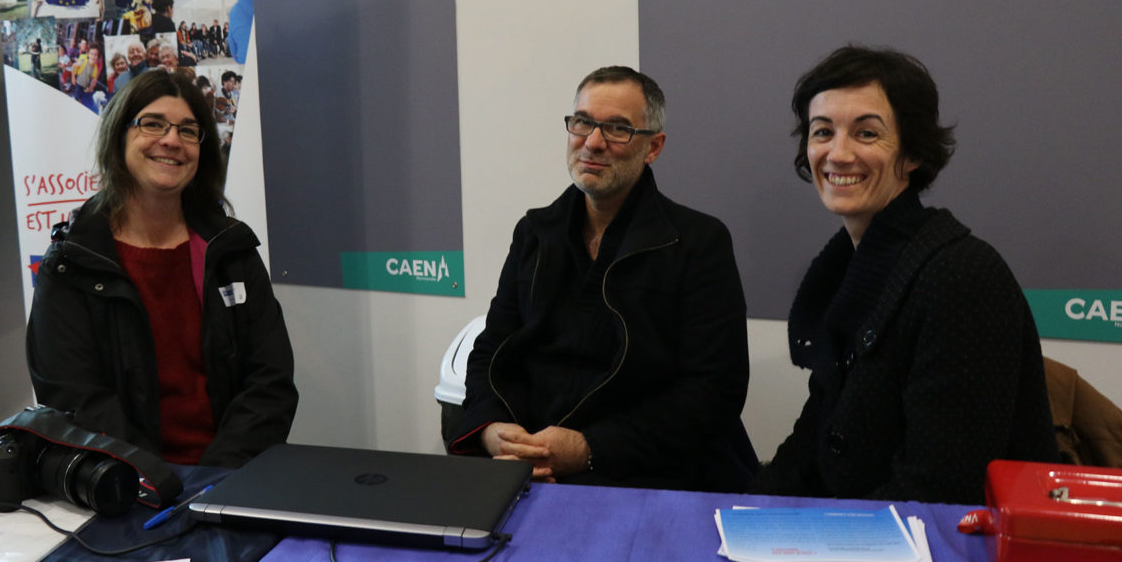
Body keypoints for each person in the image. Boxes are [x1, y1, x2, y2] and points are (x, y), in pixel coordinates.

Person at [749, 45, 1058, 504]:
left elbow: (942, 487)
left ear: (912, 153)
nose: (838, 153)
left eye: (867, 134)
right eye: (822, 132)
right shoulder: (848, 267)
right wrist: (747, 509)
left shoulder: (961, 276)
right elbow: (815, 436)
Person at [448, 66, 759, 492]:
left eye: (617, 129)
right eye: (583, 123)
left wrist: (588, 448)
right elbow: (490, 351)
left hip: (649, 475)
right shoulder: (535, 233)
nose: (593, 142)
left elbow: (714, 393)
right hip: (530, 465)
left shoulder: (697, 243)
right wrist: (491, 429)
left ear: (653, 147)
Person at [27, 69, 299, 468]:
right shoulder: (71, 264)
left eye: (188, 131)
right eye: (152, 124)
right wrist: (155, 481)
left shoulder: (231, 250)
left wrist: (214, 478)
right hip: (122, 486)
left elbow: (270, 383)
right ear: (119, 136)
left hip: (233, 478)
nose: (171, 140)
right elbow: (74, 401)